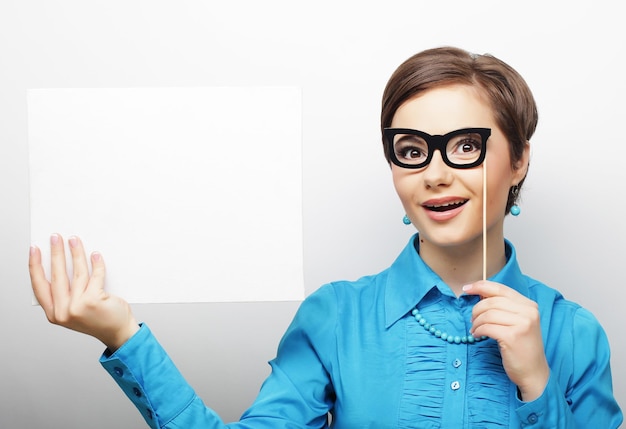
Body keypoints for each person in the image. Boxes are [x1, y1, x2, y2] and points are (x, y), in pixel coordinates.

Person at [29, 46, 623, 428]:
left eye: (466, 146)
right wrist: (121, 334)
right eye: (411, 151)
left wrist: (537, 385)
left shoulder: (574, 334)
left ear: (518, 159)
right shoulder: (336, 318)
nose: (435, 173)